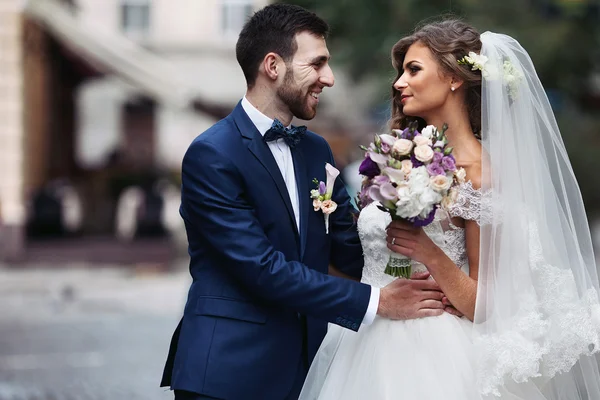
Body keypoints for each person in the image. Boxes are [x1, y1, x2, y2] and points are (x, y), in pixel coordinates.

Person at [300, 19, 600, 399]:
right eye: (400, 72)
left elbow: (484, 305)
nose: (398, 83)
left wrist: (429, 252)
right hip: (364, 337)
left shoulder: (479, 173)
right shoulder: (395, 155)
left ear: (455, 78)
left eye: (413, 70)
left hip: (434, 352)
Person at [160, 4, 447, 400]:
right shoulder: (212, 154)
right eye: (318, 64)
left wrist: (421, 246)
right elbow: (261, 269)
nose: (328, 78)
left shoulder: (316, 151)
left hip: (308, 371)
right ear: (273, 66)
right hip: (227, 371)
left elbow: (350, 249)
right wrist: (379, 301)